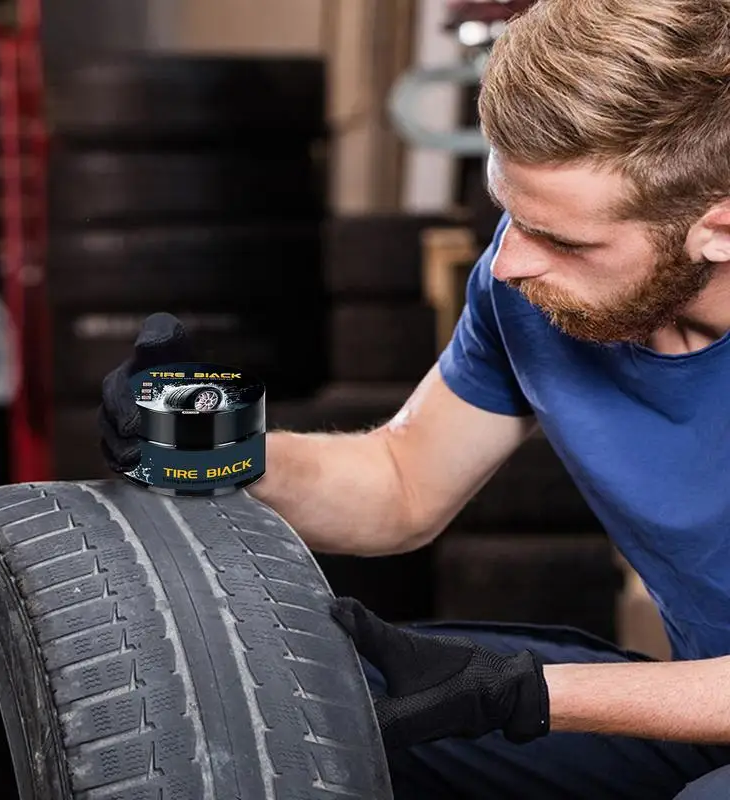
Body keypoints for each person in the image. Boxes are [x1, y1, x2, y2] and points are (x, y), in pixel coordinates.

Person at [97, 1, 730, 797]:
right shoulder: (528, 287)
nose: (509, 265)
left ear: (720, 229)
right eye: (510, 217)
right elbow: (403, 484)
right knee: (307, 700)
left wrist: (526, 690)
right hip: (701, 711)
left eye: (566, 240)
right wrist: (225, 444)